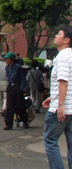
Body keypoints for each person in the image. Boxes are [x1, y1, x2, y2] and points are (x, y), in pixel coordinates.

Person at [42, 26, 72, 169]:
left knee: (50, 140)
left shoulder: (63, 57)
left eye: (58, 34)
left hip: (61, 109)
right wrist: (53, 96)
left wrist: (60, 105)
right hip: (70, 107)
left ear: (66, 40)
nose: (55, 36)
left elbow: (63, 81)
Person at [3, 51, 28, 130]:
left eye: (7, 59)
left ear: (12, 59)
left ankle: (24, 120)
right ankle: (8, 124)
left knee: (20, 106)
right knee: (9, 106)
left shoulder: (17, 67)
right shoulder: (7, 67)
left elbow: (23, 78)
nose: (6, 60)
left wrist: (21, 88)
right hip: (10, 86)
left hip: (17, 87)